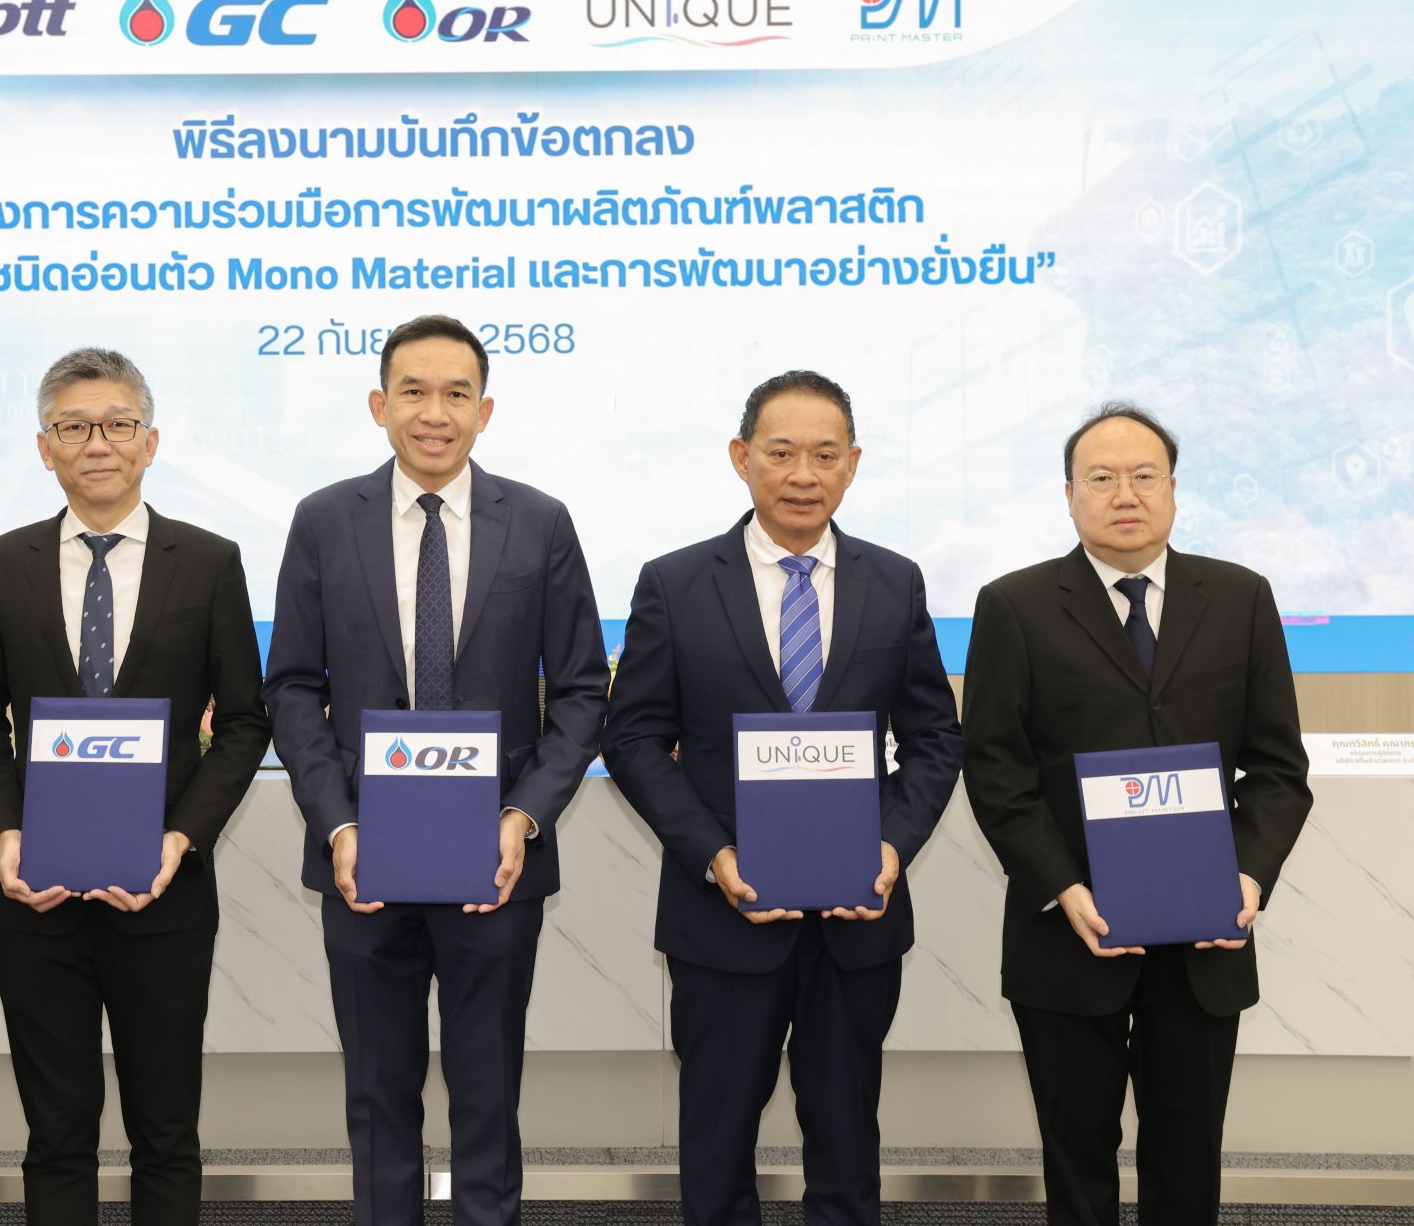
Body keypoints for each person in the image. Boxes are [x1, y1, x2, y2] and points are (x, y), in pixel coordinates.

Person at [262, 314, 606, 1226]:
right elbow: (291, 688)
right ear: (379, 405)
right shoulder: (323, 520)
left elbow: (581, 692)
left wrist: (523, 818)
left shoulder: (539, 522)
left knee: (488, 1093)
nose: (434, 413)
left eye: (457, 394)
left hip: (496, 859)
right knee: (378, 1096)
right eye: (413, 391)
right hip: (361, 858)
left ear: (485, 411)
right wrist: (338, 823)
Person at [603, 371, 963, 1226]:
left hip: (857, 918)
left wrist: (890, 847)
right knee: (716, 1146)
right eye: (782, 453)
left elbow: (934, 738)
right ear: (742, 457)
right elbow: (633, 738)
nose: (804, 474)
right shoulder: (675, 582)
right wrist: (712, 856)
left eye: (825, 455)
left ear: (853, 465)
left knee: (847, 1146)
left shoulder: (895, 581)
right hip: (722, 917)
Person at [963, 401, 1312, 1226]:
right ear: (1069, 495)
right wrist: (1063, 888)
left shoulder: (1240, 597)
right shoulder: (1014, 605)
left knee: (1187, 1156)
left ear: (1174, 489)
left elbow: (1278, 769)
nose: (1126, 494)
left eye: (1145, 475)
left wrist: (1247, 878)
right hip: (1068, 930)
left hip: (1205, 936)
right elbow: (997, 769)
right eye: (1102, 478)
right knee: (1076, 1152)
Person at [0, 348, 271, 1224]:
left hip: (164, 895)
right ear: (44, 447)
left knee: (165, 1132)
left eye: (118, 424)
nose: (98, 443)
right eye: (74, 426)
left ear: (150, 441)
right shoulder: (5, 562)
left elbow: (245, 723)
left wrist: (180, 839)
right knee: (56, 1136)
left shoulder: (208, 561)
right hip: (35, 895)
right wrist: (6, 836)